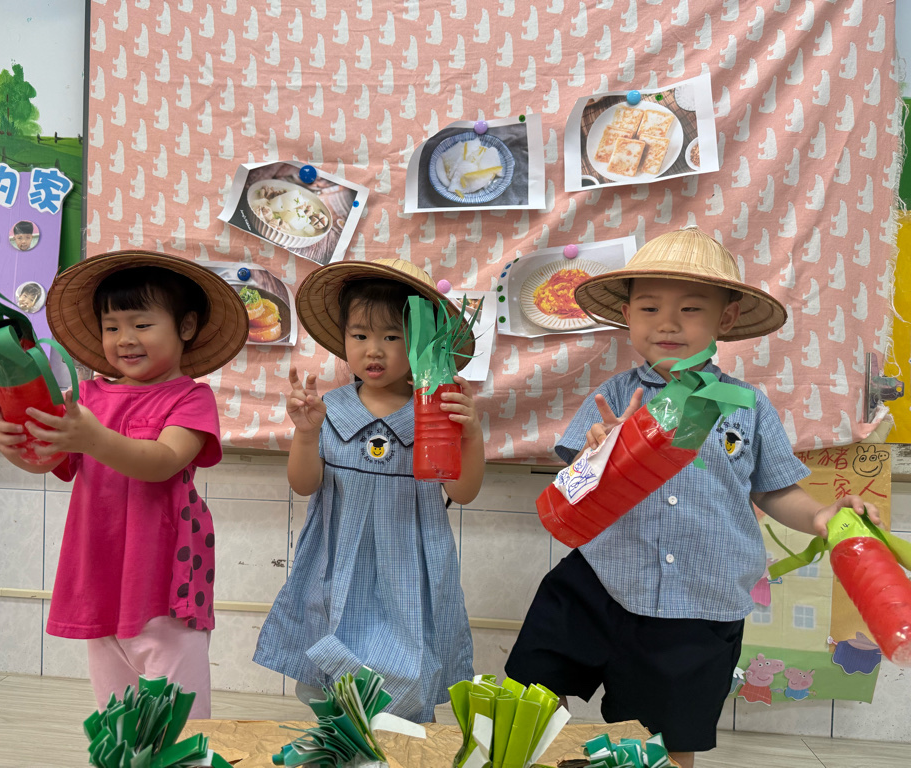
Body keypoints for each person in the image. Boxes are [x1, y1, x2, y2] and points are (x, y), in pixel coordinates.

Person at [504, 227, 881, 768]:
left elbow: (775, 488)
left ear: (726, 319)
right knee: (529, 694)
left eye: (690, 309)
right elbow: (572, 483)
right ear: (628, 316)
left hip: (699, 604)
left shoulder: (746, 405)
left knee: (666, 742)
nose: (668, 323)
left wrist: (822, 515)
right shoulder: (614, 396)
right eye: (650, 308)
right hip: (599, 581)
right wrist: (596, 453)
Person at [0, 251, 248, 718]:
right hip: (99, 581)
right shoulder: (85, 397)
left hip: (165, 586)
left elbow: (163, 462)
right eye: (111, 327)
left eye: (141, 324)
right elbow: (46, 460)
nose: (125, 339)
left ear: (186, 326)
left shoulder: (191, 398)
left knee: (178, 726)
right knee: (117, 722)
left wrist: (93, 437)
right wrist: (12, 443)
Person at [253, 258, 484, 723]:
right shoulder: (329, 408)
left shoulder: (435, 413)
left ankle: (396, 743)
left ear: (420, 344)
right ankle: (340, 743)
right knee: (329, 689)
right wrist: (305, 434)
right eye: (359, 335)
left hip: (410, 573)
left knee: (404, 687)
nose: (373, 350)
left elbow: (464, 493)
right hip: (335, 568)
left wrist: (471, 435)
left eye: (392, 337)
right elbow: (303, 484)